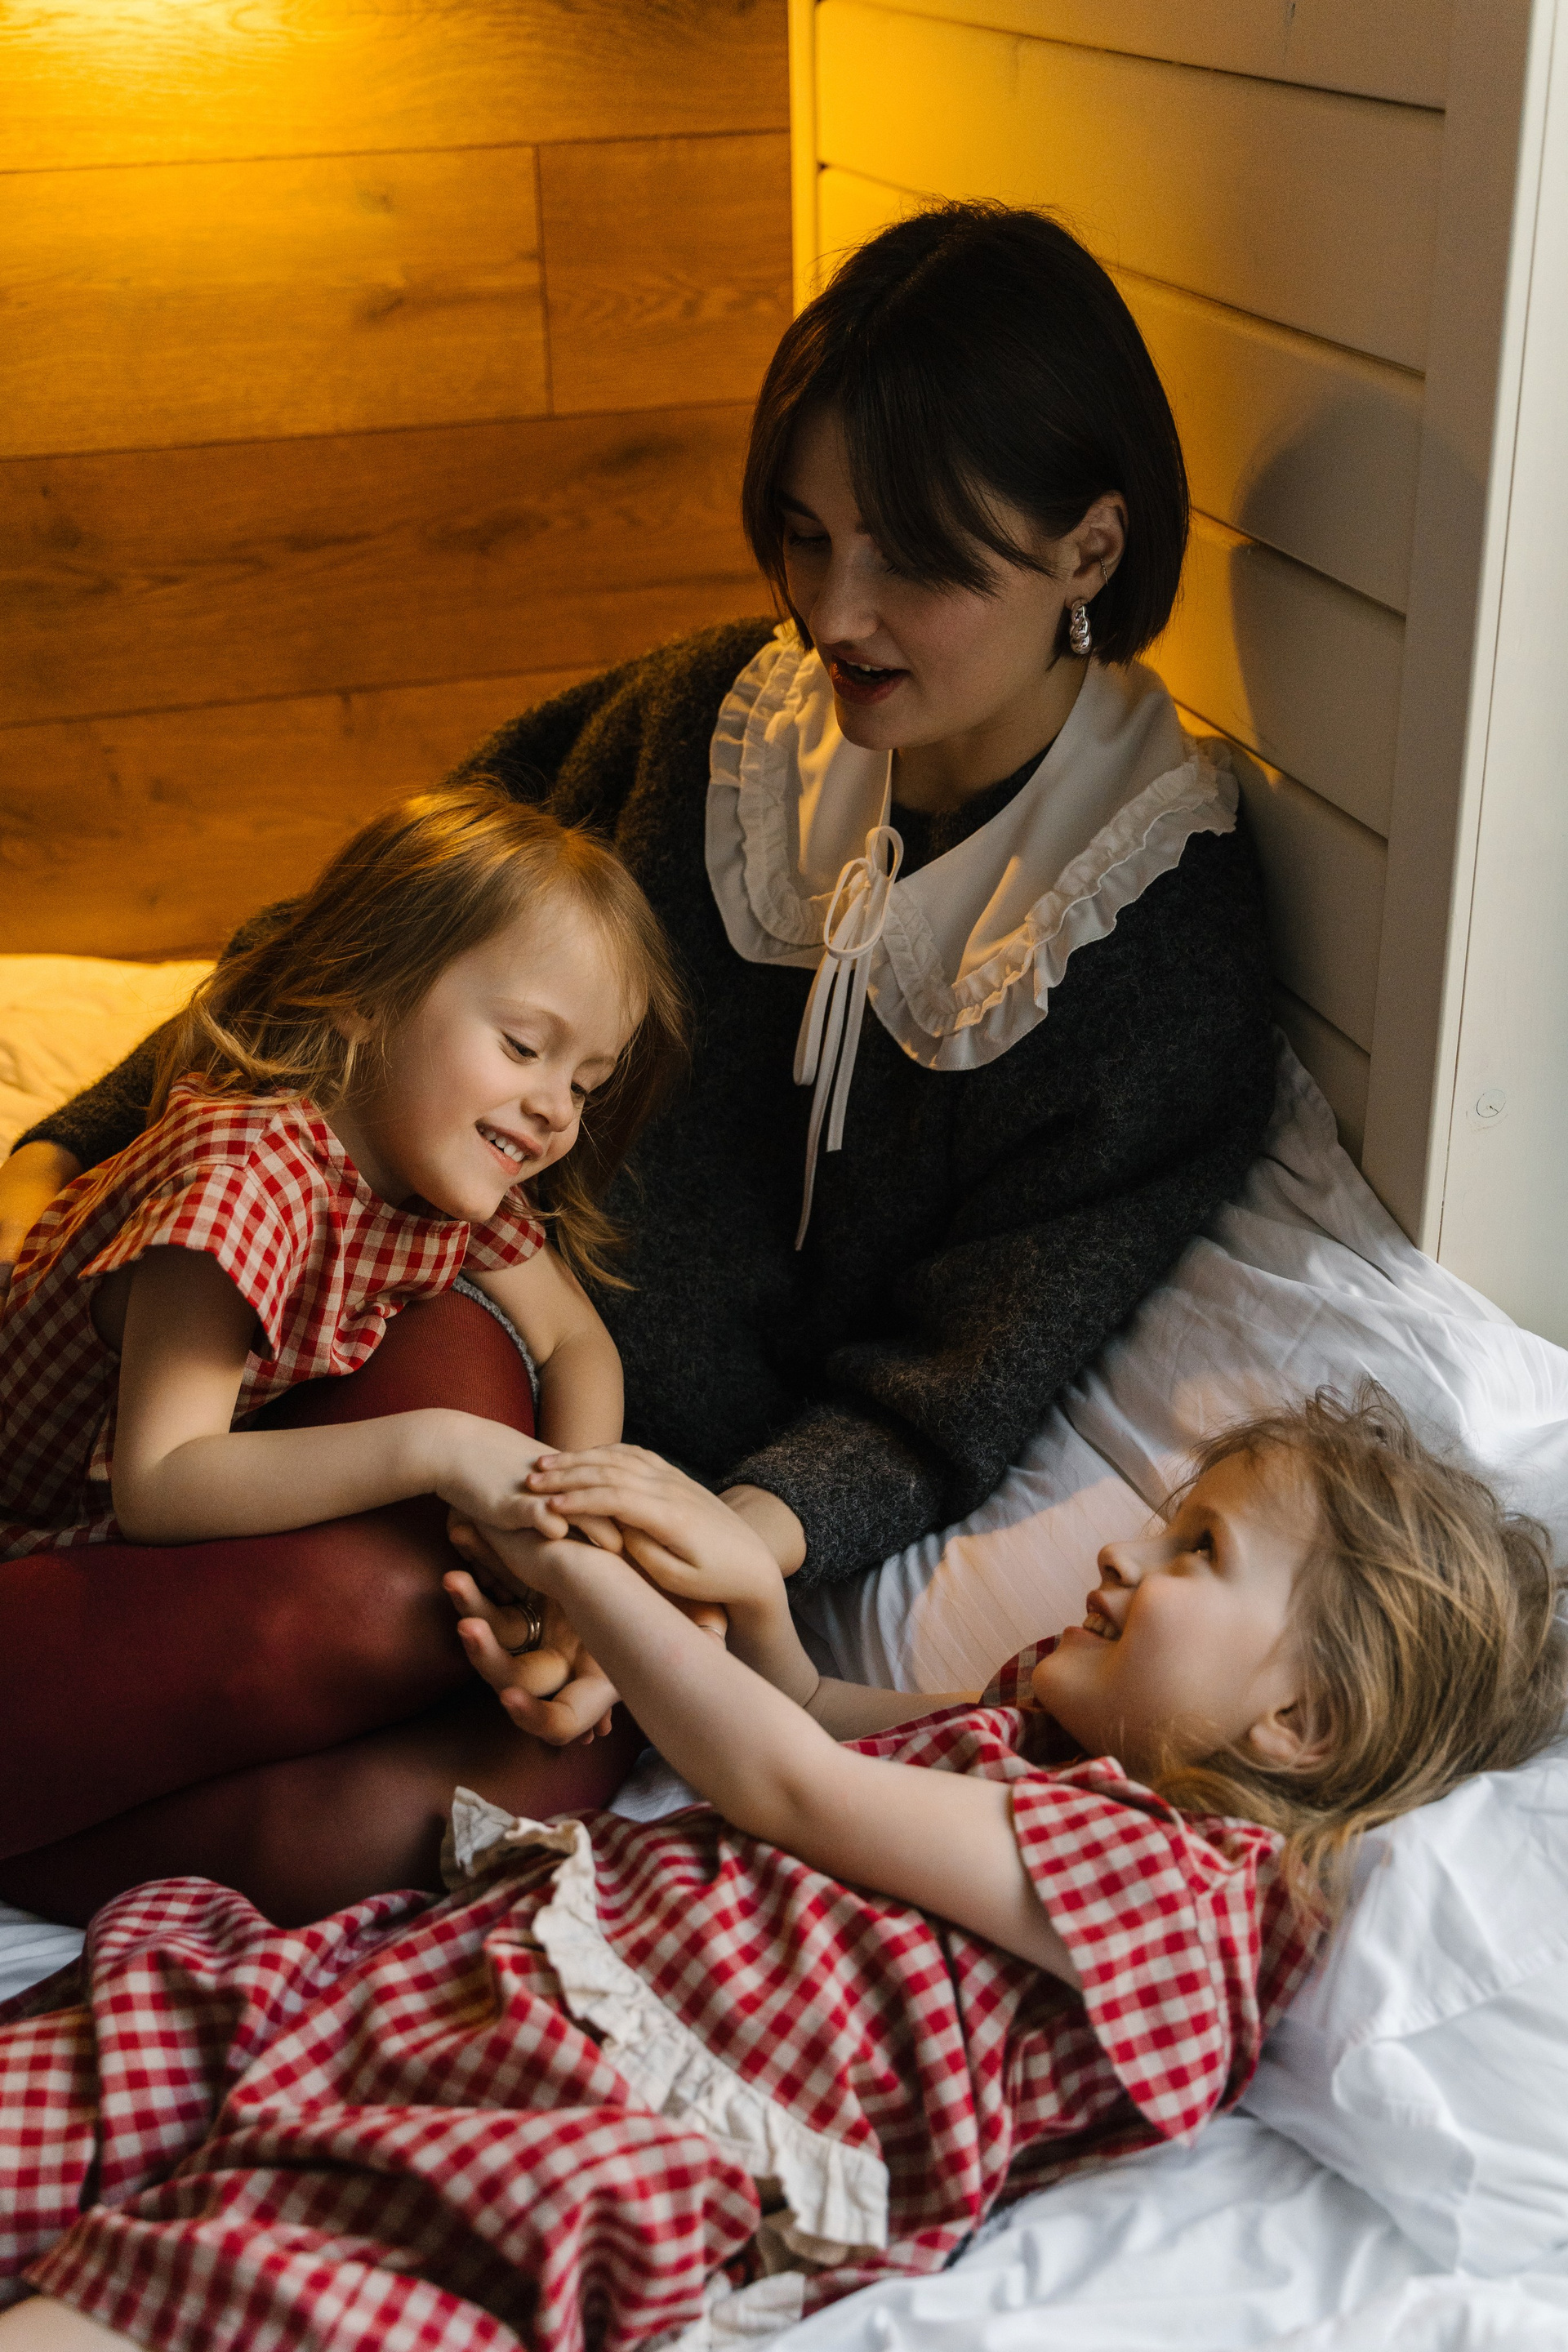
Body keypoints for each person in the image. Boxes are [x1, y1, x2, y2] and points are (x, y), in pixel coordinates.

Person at [0, 201, 1276, 1913]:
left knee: (495, 1803)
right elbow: (358, 946)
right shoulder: (712, 720)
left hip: (659, 1487)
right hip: (439, 1315)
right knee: (385, 1609)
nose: (833, 612)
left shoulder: (1161, 948)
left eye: (908, 560)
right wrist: (63, 1145)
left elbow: (951, 1392)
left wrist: (694, 1558)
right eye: (803, 538)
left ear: (1091, 550)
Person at [1, 1390, 1562, 2352]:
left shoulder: (1181, 1896)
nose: (1121, 1556)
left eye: (1195, 1554)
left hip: (626, 2110)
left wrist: (574, 1571)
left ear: (1301, 1724)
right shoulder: (1029, 1739)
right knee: (140, 2037)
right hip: (481, 1977)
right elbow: (814, 1714)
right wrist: (750, 1608)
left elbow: (790, 1783)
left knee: (268, 2277)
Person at [0, 783, 688, 1919]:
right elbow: (161, 1484)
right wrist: (443, 1448)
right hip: (44, 1532)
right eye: (524, 1047)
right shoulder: (247, 1174)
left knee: (589, 1727)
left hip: (146, 1533)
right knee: (409, 1675)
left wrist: (575, 1531)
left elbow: (578, 1344)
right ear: (369, 994)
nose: (554, 1111)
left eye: (584, 1084)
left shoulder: (435, 1169)